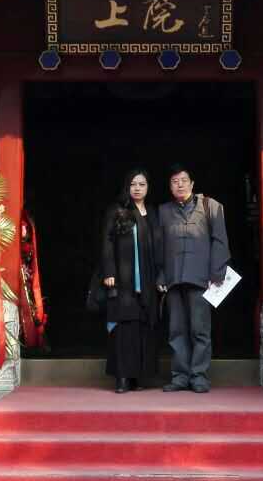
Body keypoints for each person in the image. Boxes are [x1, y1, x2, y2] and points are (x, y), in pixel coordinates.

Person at [156, 164, 229, 393]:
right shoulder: (163, 211)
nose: (179, 185)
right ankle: (180, 377)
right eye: (174, 181)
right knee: (176, 330)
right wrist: (160, 274)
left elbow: (220, 241)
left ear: (192, 183)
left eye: (183, 180)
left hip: (201, 279)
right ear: (170, 186)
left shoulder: (210, 206)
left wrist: (217, 272)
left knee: (200, 330)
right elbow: (158, 247)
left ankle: (199, 376)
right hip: (173, 279)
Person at [100, 168, 161, 393]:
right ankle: (122, 377)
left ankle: (138, 376)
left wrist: (161, 275)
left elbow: (160, 246)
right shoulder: (117, 211)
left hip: (147, 281)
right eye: (133, 184)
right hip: (123, 280)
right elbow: (107, 242)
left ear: (148, 188)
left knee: (143, 328)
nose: (137, 188)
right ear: (127, 187)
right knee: (124, 329)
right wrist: (109, 272)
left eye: (142, 184)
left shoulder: (152, 213)